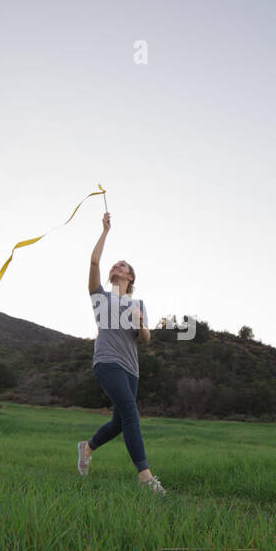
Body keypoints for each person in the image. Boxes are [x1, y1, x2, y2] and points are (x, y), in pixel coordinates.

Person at [77, 212, 165, 494]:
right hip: (106, 362)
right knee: (130, 413)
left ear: (130, 276)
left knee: (119, 420)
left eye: (122, 265)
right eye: (115, 263)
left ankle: (87, 447)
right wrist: (104, 231)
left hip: (132, 369)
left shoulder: (137, 302)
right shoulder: (100, 296)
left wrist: (140, 322)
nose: (117, 265)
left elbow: (147, 338)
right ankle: (146, 477)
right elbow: (93, 262)